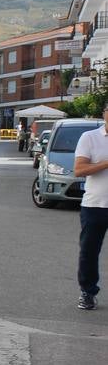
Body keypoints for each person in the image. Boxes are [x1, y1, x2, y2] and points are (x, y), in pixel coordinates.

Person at [72, 103, 108, 310]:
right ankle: (87, 292)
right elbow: (79, 170)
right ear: (105, 114)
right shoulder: (90, 138)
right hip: (95, 205)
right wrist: (105, 163)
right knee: (89, 251)